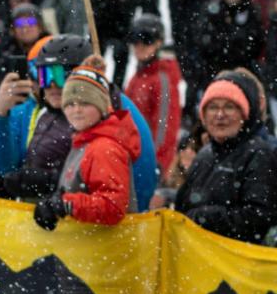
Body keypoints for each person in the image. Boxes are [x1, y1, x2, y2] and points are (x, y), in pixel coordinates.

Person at [33, 56, 141, 229]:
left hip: (105, 248)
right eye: (70, 104)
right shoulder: (83, 142)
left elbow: (112, 207)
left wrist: (67, 204)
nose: (76, 110)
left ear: (101, 106)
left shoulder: (104, 147)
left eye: (85, 103)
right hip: (88, 246)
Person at [174, 77, 277, 243]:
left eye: (229, 107)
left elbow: (259, 217)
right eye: (213, 107)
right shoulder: (204, 154)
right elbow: (183, 206)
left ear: (244, 115)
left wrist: (205, 217)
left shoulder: (258, 154)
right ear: (204, 117)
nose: (220, 115)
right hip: (199, 256)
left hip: (236, 262)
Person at [124, 14, 184, 177]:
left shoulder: (162, 78)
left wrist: (156, 164)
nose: (140, 46)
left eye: (147, 40)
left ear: (159, 43)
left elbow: (165, 128)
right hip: (132, 158)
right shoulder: (138, 76)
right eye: (135, 40)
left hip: (148, 164)